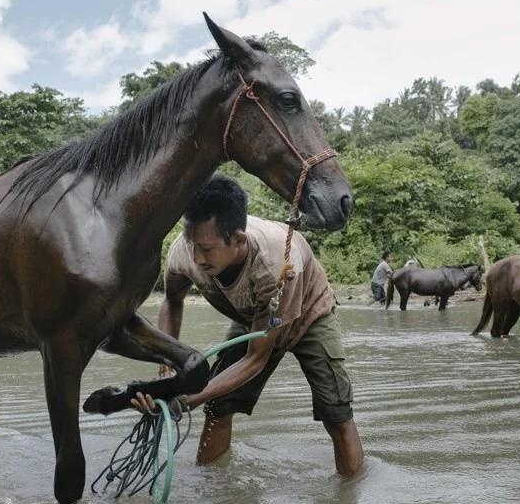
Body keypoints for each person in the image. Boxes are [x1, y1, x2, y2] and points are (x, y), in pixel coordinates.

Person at [132, 174, 364, 477]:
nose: (197, 258)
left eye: (207, 249)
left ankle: (350, 494)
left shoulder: (275, 264)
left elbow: (256, 359)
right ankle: (212, 487)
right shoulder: (183, 252)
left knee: (336, 412)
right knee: (219, 404)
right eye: (192, 245)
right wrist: (166, 372)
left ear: (239, 240)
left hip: (309, 316)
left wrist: (190, 398)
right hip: (252, 319)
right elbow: (173, 302)